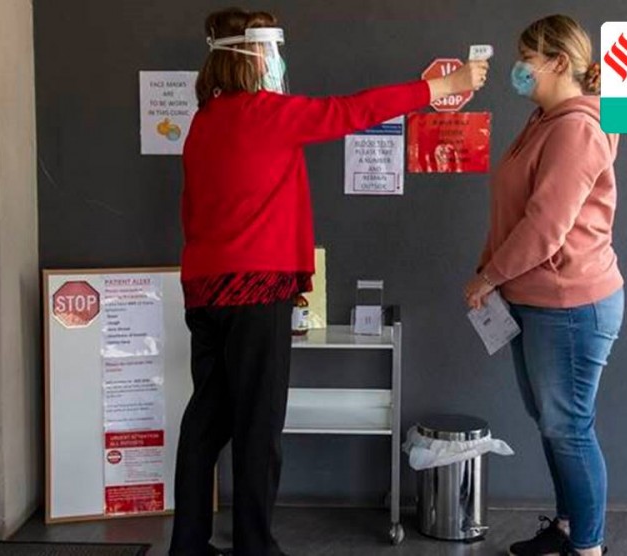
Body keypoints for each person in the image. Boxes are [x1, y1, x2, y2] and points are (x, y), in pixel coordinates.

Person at [171, 8, 489, 556]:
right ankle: (254, 547)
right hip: (256, 292)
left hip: (205, 290)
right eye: (271, 55)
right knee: (258, 427)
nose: (277, 65)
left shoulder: (205, 119)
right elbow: (354, 110)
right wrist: (443, 85)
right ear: (254, 58)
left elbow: (191, 209)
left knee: (207, 420)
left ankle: (188, 545)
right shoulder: (265, 113)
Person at [463, 14, 623, 556]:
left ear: (558, 62)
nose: (519, 68)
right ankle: (567, 530)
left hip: (571, 304)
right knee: (553, 424)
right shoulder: (544, 120)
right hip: (533, 298)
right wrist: (490, 273)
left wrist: (489, 275)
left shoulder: (576, 128)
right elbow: (514, 212)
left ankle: (588, 546)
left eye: (527, 58)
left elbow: (545, 227)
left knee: (569, 427)